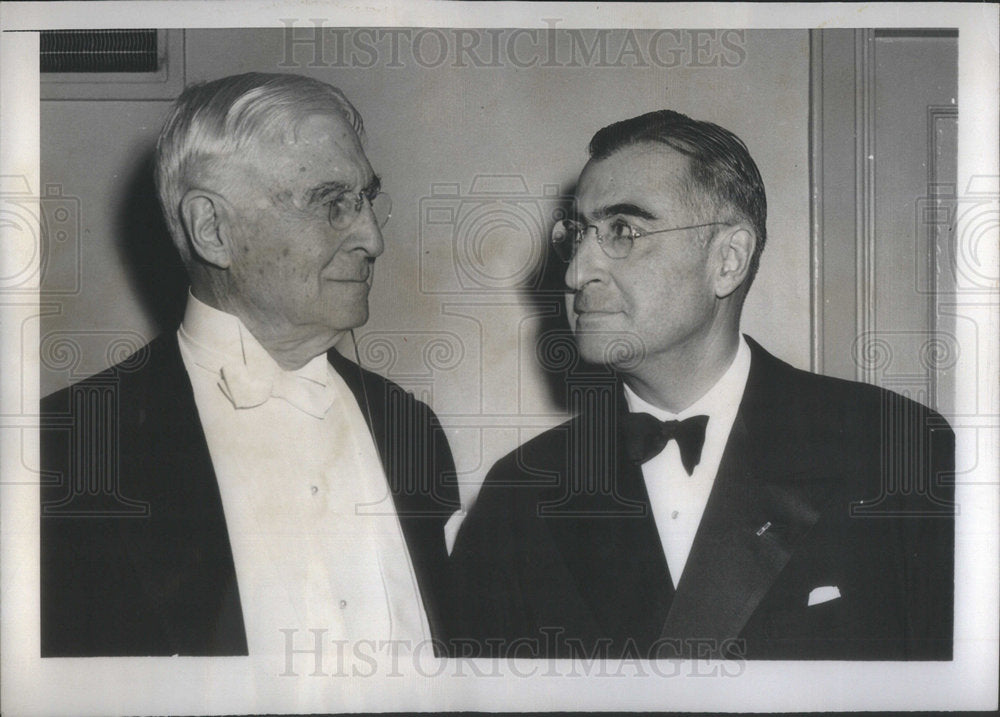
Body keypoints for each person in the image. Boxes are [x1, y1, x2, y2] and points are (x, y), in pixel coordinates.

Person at [451, 110, 954, 660]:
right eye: (576, 236)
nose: (575, 273)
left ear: (728, 260)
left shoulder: (896, 447)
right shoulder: (520, 492)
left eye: (623, 231)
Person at [40, 73, 458, 657]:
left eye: (365, 199)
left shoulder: (410, 427)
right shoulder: (62, 450)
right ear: (212, 230)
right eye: (331, 203)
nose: (372, 238)